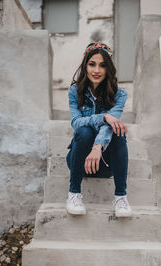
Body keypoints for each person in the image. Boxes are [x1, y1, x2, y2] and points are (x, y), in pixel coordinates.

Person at [66, 42, 132, 217]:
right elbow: (76, 122)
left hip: (106, 163)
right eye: (92, 64)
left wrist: (97, 148)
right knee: (84, 131)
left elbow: (112, 125)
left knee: (118, 131)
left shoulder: (120, 94)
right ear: (85, 65)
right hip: (79, 160)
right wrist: (103, 117)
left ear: (108, 69)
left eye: (103, 65)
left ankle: (120, 197)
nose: (96, 70)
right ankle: (74, 194)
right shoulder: (74, 91)